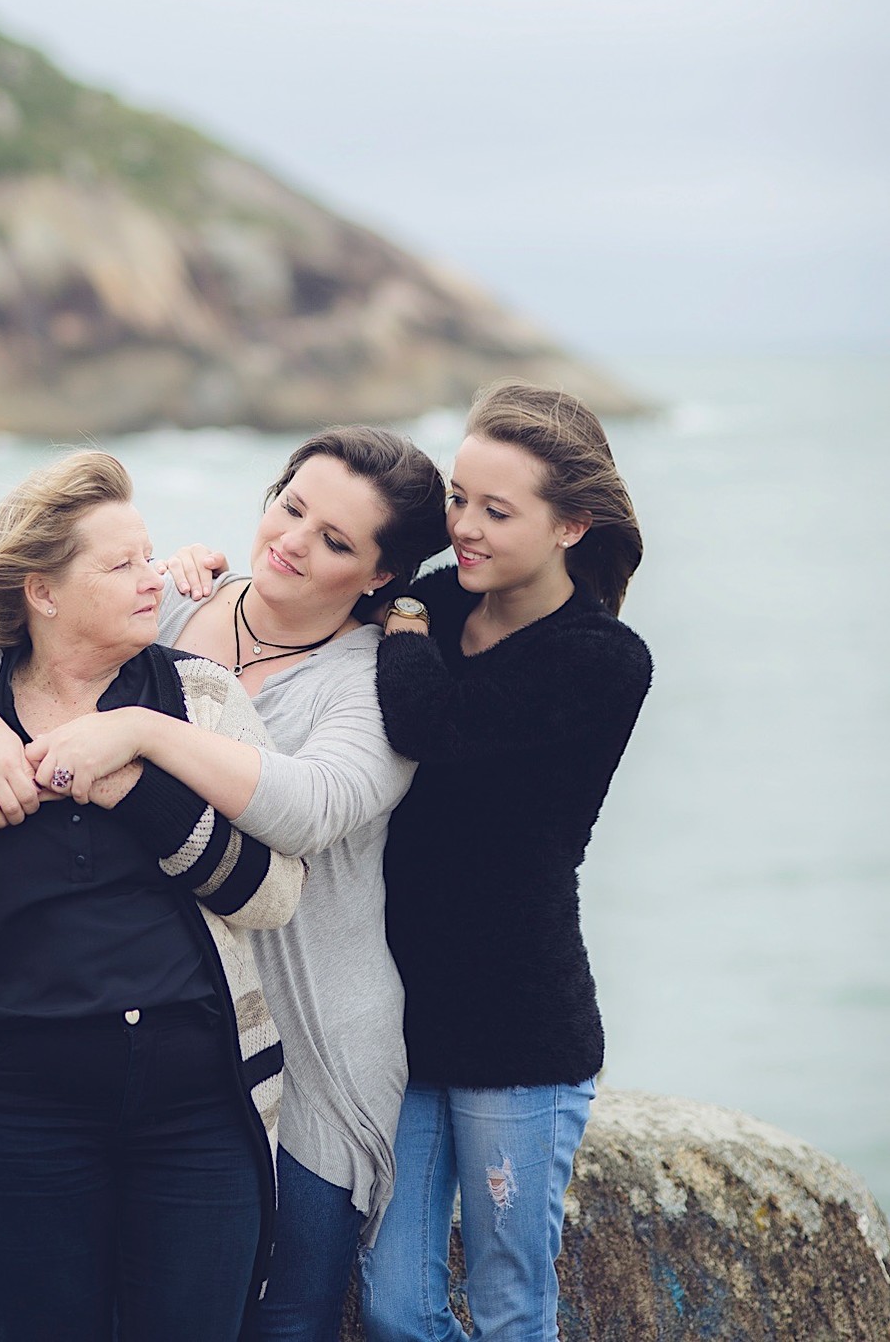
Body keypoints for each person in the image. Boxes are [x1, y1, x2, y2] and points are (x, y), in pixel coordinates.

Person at [0, 425, 449, 1342]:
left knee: (279, 1324)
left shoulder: (372, 684)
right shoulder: (165, 604)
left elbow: (310, 806)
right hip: (157, 1041)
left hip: (309, 1046)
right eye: (292, 507)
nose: (292, 540)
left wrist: (142, 735)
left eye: (336, 542)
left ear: (378, 578)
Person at [0, 449, 306, 1342]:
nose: (153, 580)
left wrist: (136, 789)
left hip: (197, 1110)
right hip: (13, 1114)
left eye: (149, 555)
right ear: (43, 593)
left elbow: (274, 893)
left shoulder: (197, 697)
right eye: (122, 564)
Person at [359, 382, 653, 1342]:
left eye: (496, 509)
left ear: (571, 525)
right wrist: (203, 575)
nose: (462, 529)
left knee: (511, 1308)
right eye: (457, 501)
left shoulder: (603, 659)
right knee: (395, 1308)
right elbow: (297, 602)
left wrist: (400, 619)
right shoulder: (437, 599)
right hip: (405, 1020)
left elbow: (429, 724)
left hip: (521, 1030)